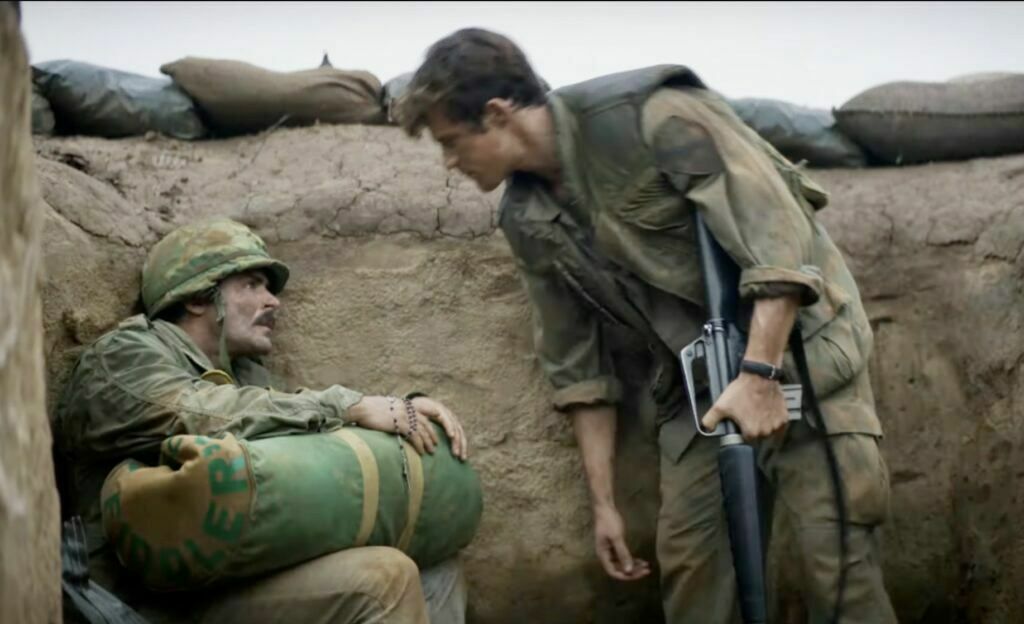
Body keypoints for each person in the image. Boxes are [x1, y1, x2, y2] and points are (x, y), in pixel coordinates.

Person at [398, 27, 897, 623]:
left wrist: (760, 373)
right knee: (693, 574)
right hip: (699, 387)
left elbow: (778, 239)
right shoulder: (526, 216)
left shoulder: (654, 117)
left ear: (497, 114)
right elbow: (576, 363)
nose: (450, 162)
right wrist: (604, 505)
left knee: (839, 576)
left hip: (799, 355)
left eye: (451, 142)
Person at [53, 217, 469, 624]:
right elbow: (201, 413)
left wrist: (403, 411)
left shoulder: (246, 374)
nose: (273, 302)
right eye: (252, 285)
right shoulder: (123, 356)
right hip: (150, 603)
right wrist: (350, 405)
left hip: (232, 575)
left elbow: (303, 436)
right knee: (384, 580)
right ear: (197, 298)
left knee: (436, 572)